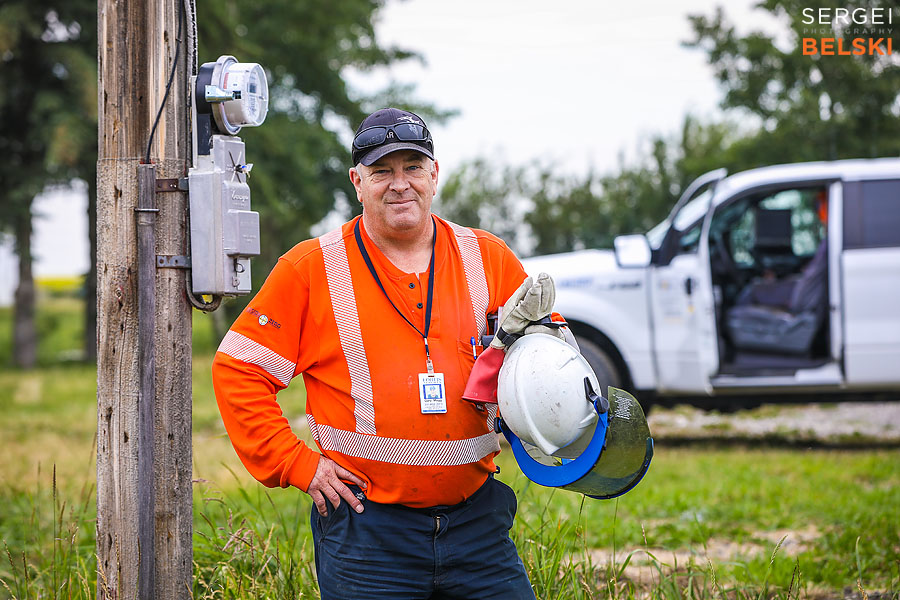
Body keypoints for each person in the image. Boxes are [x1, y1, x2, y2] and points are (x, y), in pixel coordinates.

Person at [211, 107, 541, 599]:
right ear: (357, 182)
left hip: (478, 527)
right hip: (367, 535)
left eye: (412, 167)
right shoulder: (310, 268)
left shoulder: (488, 258)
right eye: (382, 171)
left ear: (434, 174)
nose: (399, 184)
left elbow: (543, 357)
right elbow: (238, 370)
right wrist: (297, 464)